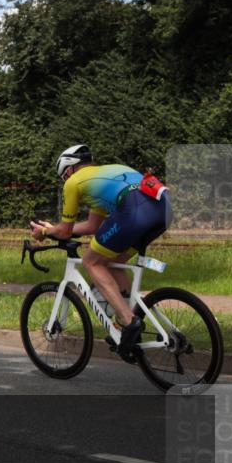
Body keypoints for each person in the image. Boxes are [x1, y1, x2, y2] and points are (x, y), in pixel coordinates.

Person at [30, 144, 172, 363]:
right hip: (162, 209)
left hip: (134, 209)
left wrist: (46, 232)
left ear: (69, 170)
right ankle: (132, 319)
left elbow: (65, 231)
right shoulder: (103, 177)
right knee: (112, 261)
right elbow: (92, 226)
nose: (65, 180)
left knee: (92, 262)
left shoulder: (73, 182)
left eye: (64, 176)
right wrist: (55, 229)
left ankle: (129, 321)